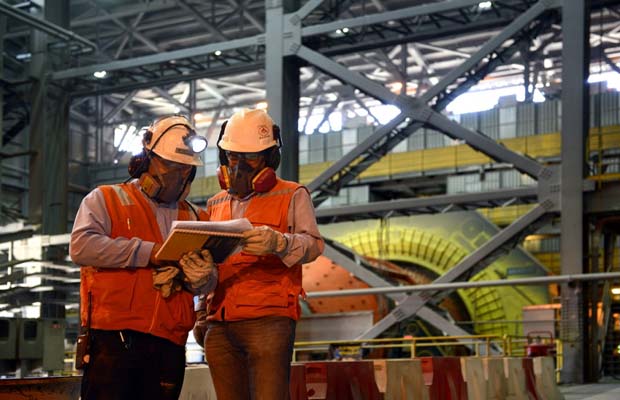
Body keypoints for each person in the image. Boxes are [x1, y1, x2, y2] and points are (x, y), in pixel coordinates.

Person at [70, 115, 218, 400]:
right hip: (114, 340)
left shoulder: (197, 217)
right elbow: (81, 246)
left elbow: (209, 280)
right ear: (144, 160)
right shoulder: (105, 199)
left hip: (169, 343)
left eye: (185, 169)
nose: (178, 175)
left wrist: (205, 279)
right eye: (170, 166)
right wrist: (150, 253)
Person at [193, 108, 324, 399]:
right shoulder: (215, 203)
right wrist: (201, 313)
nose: (239, 166)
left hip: (269, 320)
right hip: (219, 323)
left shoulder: (292, 194)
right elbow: (209, 261)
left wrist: (280, 244)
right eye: (232, 156)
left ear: (269, 158)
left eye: (249, 157)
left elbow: (314, 245)